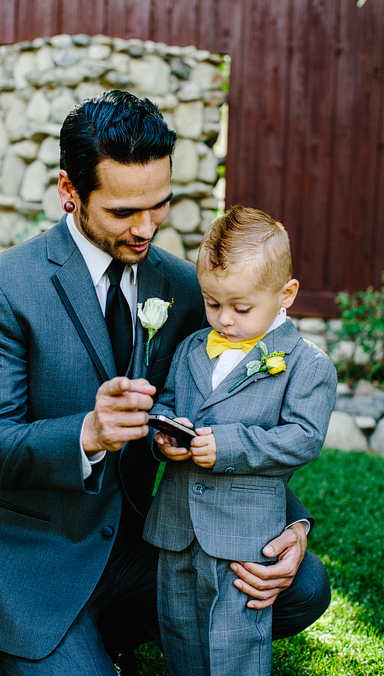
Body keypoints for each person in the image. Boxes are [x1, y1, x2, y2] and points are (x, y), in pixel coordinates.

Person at [0, 90, 331, 675]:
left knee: (304, 587)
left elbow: (224, 415)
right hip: (36, 559)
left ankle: (114, 632)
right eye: (123, 213)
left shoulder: (182, 285)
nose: (146, 229)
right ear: (69, 192)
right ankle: (5, 638)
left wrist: (291, 524)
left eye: (160, 206)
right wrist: (88, 434)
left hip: (148, 542)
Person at [144, 205, 336, 676]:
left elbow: (303, 438)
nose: (224, 320)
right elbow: (168, 402)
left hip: (244, 532)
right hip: (177, 524)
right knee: (179, 625)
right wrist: (163, 436)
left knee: (236, 638)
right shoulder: (192, 347)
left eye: (241, 307)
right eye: (212, 303)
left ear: (285, 294)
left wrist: (227, 446)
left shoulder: (306, 364)